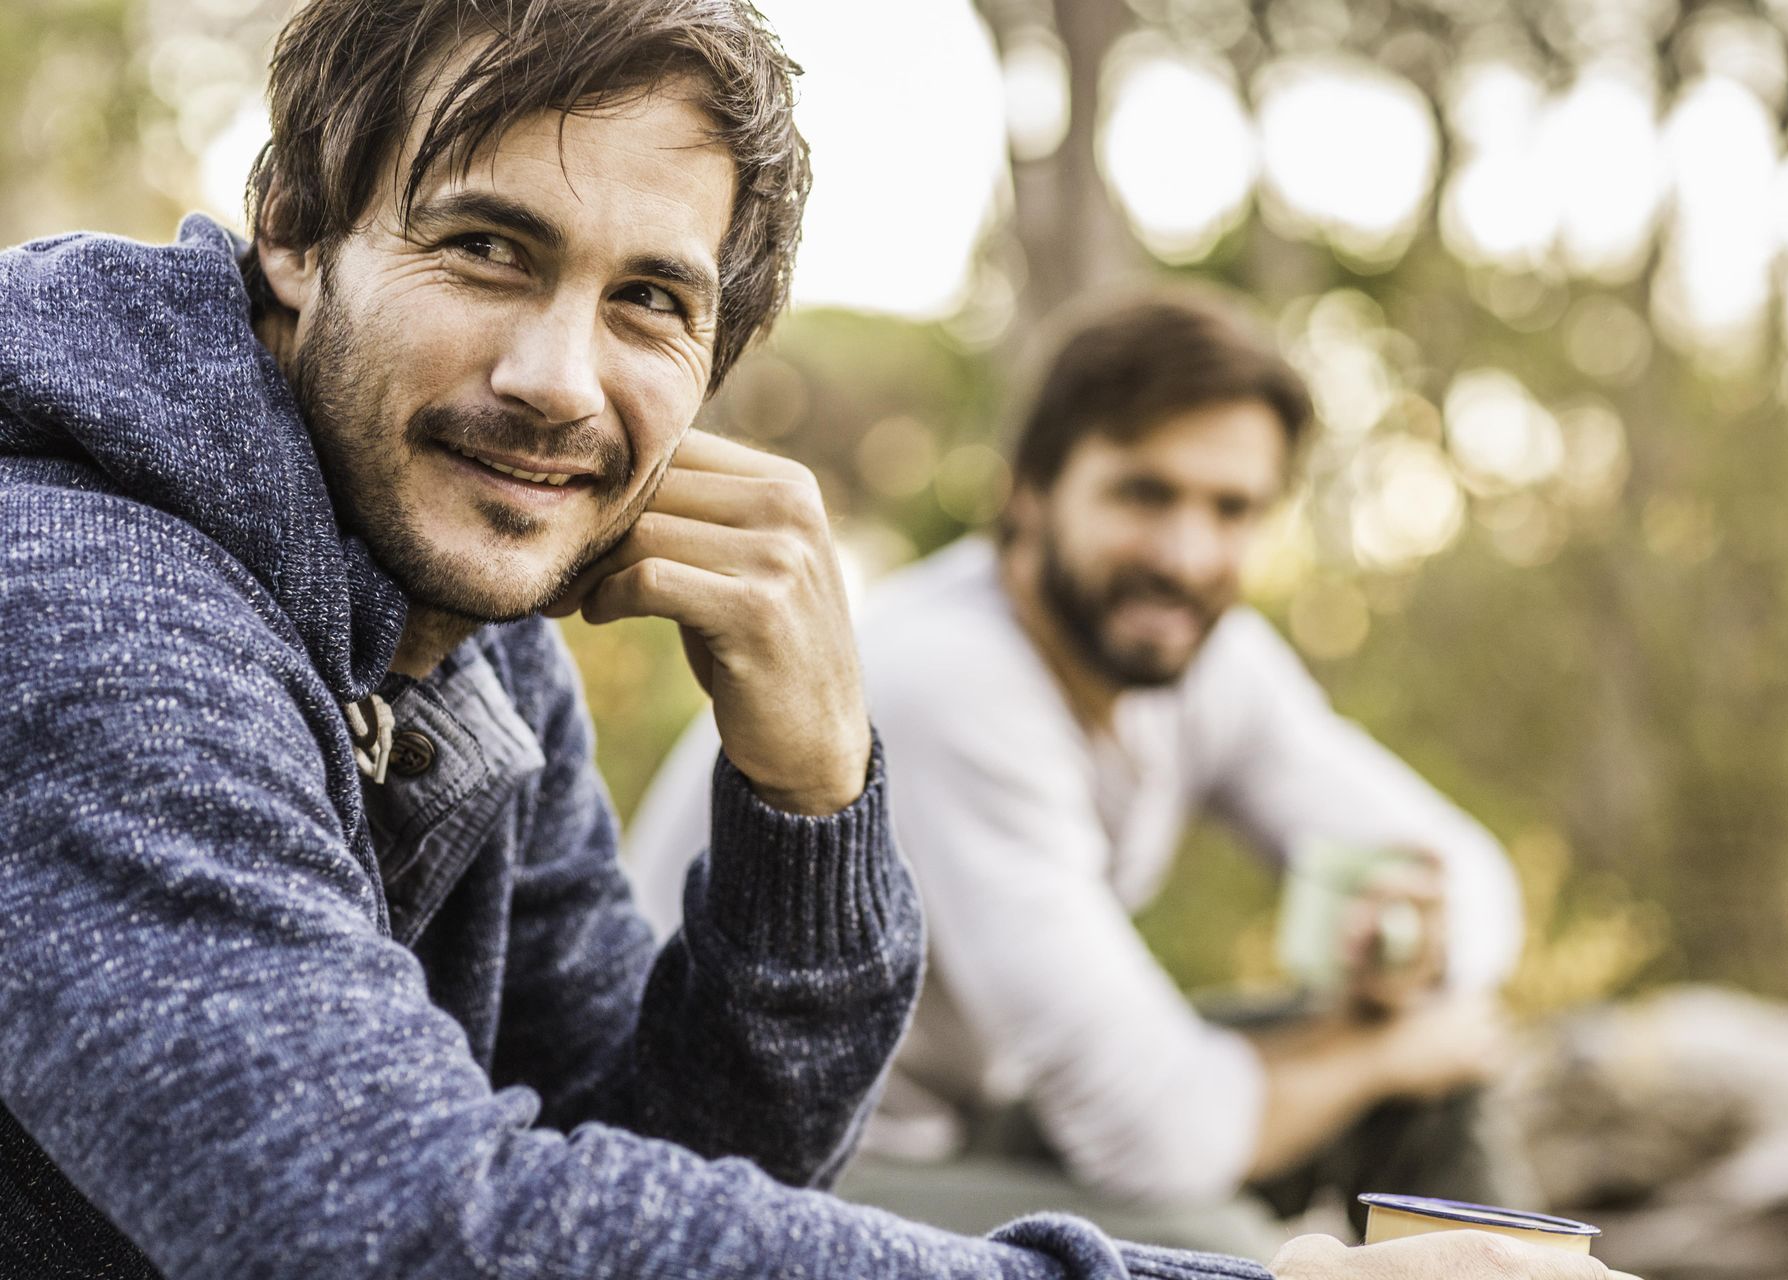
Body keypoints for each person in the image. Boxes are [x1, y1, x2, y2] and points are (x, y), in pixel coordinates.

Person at [0, 0, 1633, 1272]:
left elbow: (686, 1171)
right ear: (295, 228)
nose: (561, 378)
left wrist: (807, 807)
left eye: (652, 300)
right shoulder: (84, 610)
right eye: (487, 247)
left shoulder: (473, 644)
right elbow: (403, 1232)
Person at [626, 290, 1532, 1258]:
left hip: (968, 1124)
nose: (1186, 555)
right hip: (768, 1169)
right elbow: (1154, 1138)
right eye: (1144, 493)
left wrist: (1411, 952)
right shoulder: (951, 681)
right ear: (1030, 492)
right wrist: (1376, 1050)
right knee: (1215, 1245)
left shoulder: (1210, 661)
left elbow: (1469, 876)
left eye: (1231, 509)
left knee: (1431, 1080)